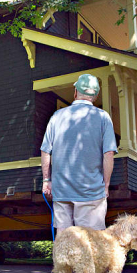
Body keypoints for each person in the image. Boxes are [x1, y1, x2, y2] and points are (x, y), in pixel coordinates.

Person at [40, 74, 117, 232]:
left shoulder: (57, 117)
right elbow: (109, 154)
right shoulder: (103, 117)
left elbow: (45, 150)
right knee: (91, 245)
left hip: (61, 191)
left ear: (75, 92)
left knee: (64, 245)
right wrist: (106, 185)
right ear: (95, 96)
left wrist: (46, 180)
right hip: (91, 192)